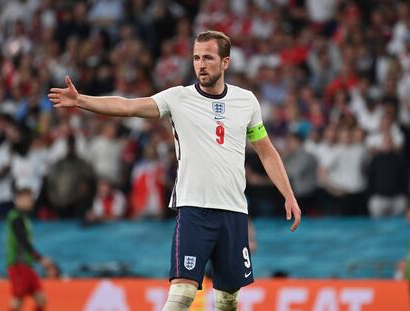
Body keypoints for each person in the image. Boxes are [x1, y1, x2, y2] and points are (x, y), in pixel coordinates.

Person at [49, 30, 301, 311]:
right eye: (196, 57)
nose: (200, 64)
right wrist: (82, 100)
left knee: (229, 300)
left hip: (234, 211)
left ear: (225, 62)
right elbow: (128, 106)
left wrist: (288, 195)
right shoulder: (178, 98)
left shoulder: (246, 101)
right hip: (194, 209)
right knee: (182, 295)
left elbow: (266, 152)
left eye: (208, 57)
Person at [6, 187, 56, 311]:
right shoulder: (16, 218)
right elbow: (23, 241)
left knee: (41, 299)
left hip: (26, 265)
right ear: (18, 200)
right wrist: (40, 258)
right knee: (18, 299)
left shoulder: (24, 218)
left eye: (31, 199)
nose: (31, 202)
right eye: (28, 199)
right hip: (18, 265)